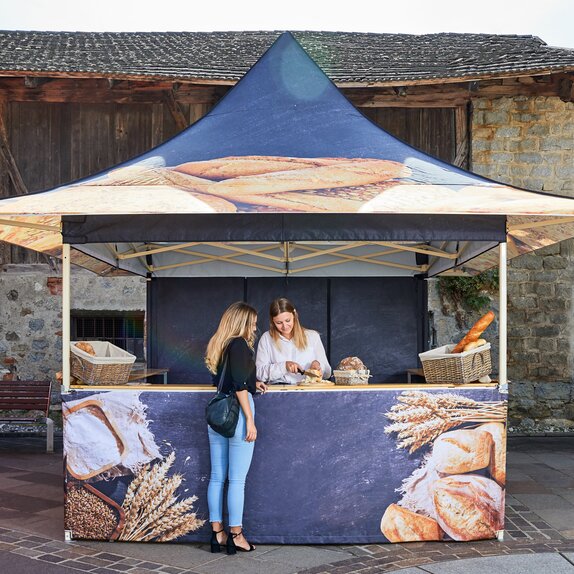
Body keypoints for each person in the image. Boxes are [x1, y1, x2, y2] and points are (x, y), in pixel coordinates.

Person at [205, 302, 267, 555]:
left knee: (217, 476)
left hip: (218, 414)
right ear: (242, 323)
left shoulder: (218, 344)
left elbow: (229, 380)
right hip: (238, 414)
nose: (254, 327)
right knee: (237, 480)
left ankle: (217, 534)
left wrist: (254, 382)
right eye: (251, 322)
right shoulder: (240, 344)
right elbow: (239, 387)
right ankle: (236, 536)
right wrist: (250, 420)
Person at [256, 297, 331, 385]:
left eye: (288, 320)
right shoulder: (266, 338)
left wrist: (318, 365)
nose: (284, 326)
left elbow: (327, 373)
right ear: (272, 321)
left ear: (294, 315)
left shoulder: (312, 336)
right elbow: (259, 374)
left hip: (309, 391)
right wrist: (284, 366)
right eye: (279, 323)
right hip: (278, 392)